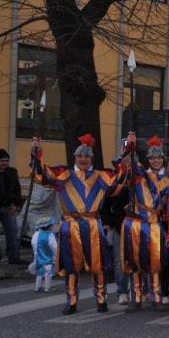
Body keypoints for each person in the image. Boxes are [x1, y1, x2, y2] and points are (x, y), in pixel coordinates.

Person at [31, 134, 128, 314]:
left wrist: (125, 154)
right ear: (75, 157)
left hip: (92, 223)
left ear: (92, 158)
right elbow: (42, 176)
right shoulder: (64, 174)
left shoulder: (100, 175)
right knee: (71, 265)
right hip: (71, 223)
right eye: (80, 156)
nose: (83, 159)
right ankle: (72, 301)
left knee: (98, 265)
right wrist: (37, 153)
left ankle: (101, 299)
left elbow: (119, 181)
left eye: (87, 156)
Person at [120, 136, 169, 312]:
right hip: (135, 223)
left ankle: (156, 296)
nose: (156, 161)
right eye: (152, 158)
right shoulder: (139, 175)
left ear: (163, 160)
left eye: (159, 158)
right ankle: (136, 298)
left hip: (155, 226)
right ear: (147, 160)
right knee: (134, 262)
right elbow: (126, 163)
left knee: (155, 263)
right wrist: (130, 145)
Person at [30, 216, 57, 293]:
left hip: (38, 257)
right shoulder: (50, 235)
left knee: (39, 272)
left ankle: (37, 287)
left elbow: (33, 244)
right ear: (49, 226)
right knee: (48, 273)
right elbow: (54, 247)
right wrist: (56, 256)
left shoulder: (36, 234)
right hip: (48, 257)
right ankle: (47, 288)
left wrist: (36, 254)